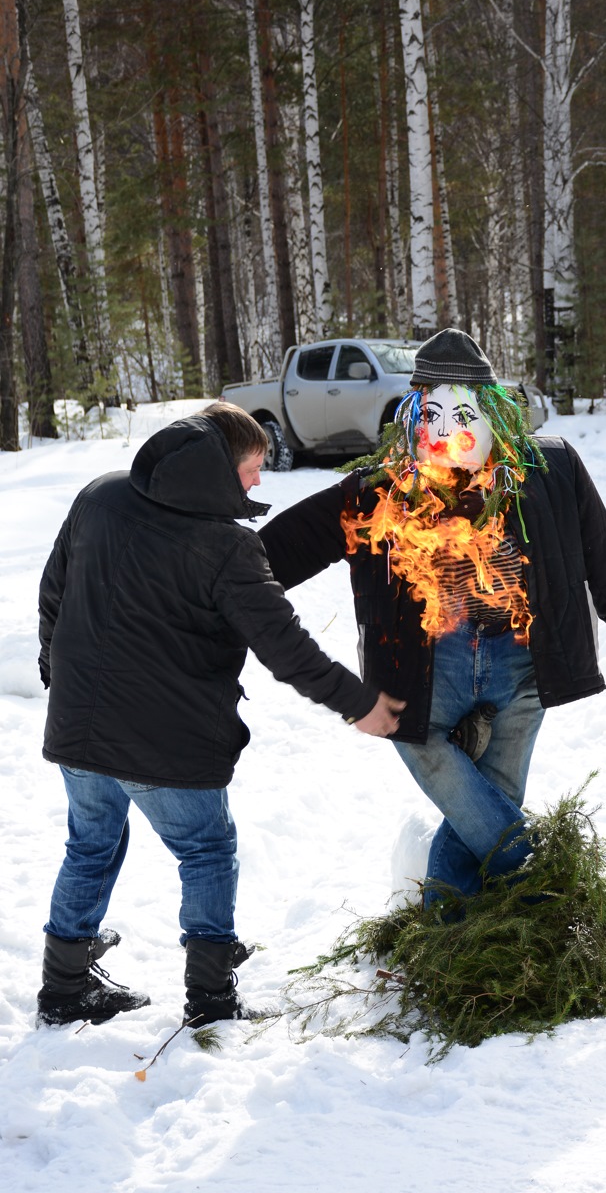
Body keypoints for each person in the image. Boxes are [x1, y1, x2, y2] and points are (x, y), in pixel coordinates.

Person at [258, 329, 606, 904]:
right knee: (429, 752)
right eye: (432, 415)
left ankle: (451, 929)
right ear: (411, 417)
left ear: (495, 414)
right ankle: (541, 889)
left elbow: (604, 557)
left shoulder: (548, 468)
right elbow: (277, 551)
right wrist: (209, 581)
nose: (448, 432)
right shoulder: (382, 489)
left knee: (492, 796)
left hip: (522, 659)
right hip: (429, 663)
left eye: (463, 414)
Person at [36, 402, 404, 1029]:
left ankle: (64, 986)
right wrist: (360, 703)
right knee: (206, 849)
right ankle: (211, 999)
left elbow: (53, 592)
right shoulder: (226, 545)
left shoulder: (100, 498)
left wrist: (57, 673)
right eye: (255, 468)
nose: (260, 481)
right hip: (164, 737)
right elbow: (284, 646)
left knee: (91, 843)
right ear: (216, 467)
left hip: (79, 721)